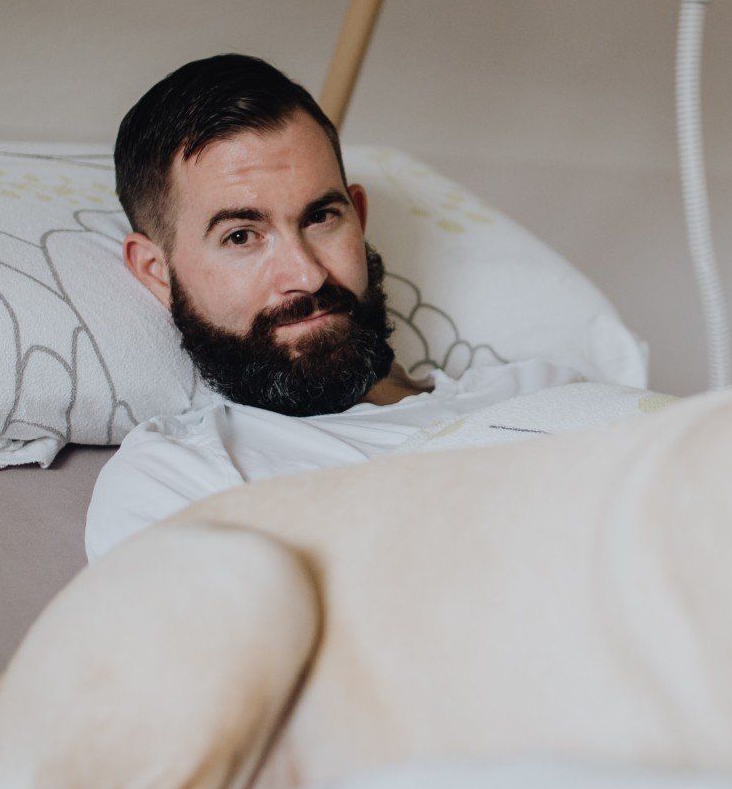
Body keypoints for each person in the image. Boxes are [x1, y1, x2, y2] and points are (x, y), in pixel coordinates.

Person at [84, 54, 586, 559]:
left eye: (321, 217)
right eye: (241, 236)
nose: (307, 275)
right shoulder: (179, 481)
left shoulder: (543, 392)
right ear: (157, 271)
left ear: (358, 217)